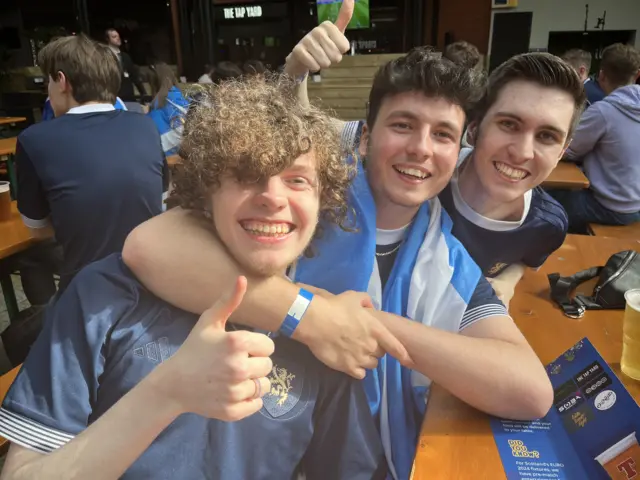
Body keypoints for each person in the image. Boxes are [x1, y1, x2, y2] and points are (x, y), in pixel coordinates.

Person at [122, 3, 553, 478]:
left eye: (443, 134)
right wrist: (311, 316)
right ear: (365, 138)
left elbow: (529, 391)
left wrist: (365, 325)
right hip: (248, 449)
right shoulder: (299, 210)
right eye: (403, 125)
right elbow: (151, 245)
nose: (421, 148)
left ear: (458, 151)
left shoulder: (442, 256)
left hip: (365, 458)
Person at [0, 75, 385, 480]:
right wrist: (168, 391)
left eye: (297, 180)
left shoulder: (327, 333)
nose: (273, 196)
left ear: (323, 200)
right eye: (246, 174)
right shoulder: (105, 294)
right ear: (206, 191)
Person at [15, 34, 166, 292]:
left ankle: (52, 315)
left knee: (29, 258)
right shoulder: (145, 126)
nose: (48, 93)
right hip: (150, 279)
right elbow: (160, 198)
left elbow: (37, 230)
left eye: (49, 82)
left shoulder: (34, 139)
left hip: (88, 289)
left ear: (62, 81)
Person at [551, 43, 640, 231]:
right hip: (636, 205)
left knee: (541, 200)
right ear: (637, 74)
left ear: (601, 75)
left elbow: (568, 150)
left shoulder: (604, 112)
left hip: (610, 207)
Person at [147, 63, 189, 155]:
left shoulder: (157, 106)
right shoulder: (184, 98)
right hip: (190, 154)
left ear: (153, 83)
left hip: (169, 158)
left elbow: (157, 144)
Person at [105, 28, 147, 104]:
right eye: (114, 37)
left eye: (118, 36)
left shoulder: (125, 56)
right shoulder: (104, 57)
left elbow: (134, 76)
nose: (118, 38)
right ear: (107, 39)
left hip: (129, 97)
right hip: (114, 99)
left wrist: (143, 93)